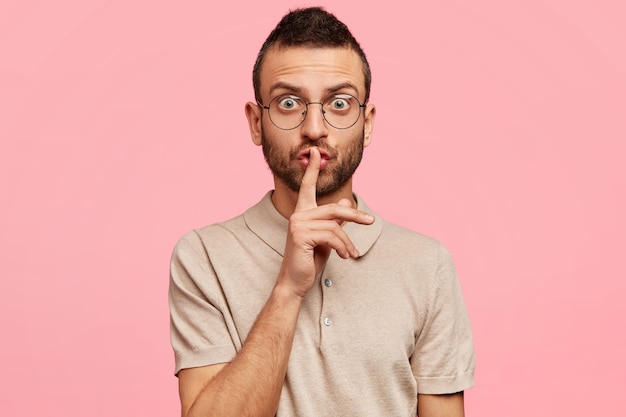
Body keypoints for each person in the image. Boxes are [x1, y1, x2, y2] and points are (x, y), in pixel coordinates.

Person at [169, 7, 475, 417]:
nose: (314, 127)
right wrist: (288, 290)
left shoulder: (427, 264)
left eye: (340, 103)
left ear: (367, 123)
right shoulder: (203, 256)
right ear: (256, 122)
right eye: (289, 102)